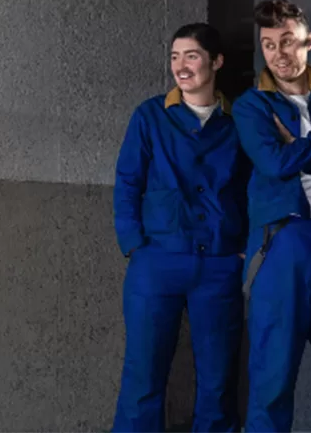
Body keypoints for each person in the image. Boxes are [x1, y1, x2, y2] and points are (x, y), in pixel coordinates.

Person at [112, 23, 250, 432]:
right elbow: (127, 182)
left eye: (191, 56)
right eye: (175, 57)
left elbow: (252, 188)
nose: (181, 66)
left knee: (218, 382)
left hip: (220, 264)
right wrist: (135, 245)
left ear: (216, 62)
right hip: (157, 261)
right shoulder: (150, 115)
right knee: (143, 377)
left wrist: (240, 249)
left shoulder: (237, 121)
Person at [232, 0, 311, 432]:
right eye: (268, 45)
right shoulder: (252, 106)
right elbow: (274, 164)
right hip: (281, 244)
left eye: (287, 42)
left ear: (308, 41)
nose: (279, 54)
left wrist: (296, 145)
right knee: (272, 379)